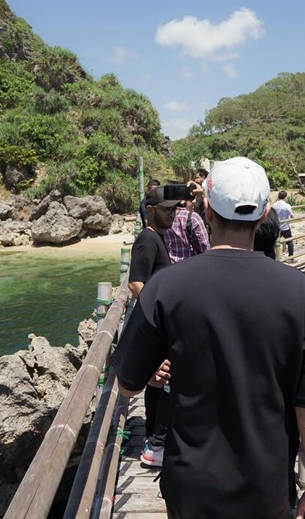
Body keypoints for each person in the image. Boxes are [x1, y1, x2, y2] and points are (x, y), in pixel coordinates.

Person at [115, 156, 305, 519]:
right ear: (263, 214)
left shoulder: (166, 286)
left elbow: (127, 386)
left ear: (205, 209)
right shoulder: (298, 291)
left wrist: (150, 371)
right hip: (266, 490)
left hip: (190, 487)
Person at [128, 184, 182, 468]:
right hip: (157, 324)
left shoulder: (158, 238)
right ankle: (156, 443)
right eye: (167, 209)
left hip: (158, 323)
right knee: (165, 380)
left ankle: (155, 438)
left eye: (175, 209)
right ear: (151, 211)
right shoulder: (148, 240)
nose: (173, 214)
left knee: (160, 382)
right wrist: (158, 314)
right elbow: (136, 282)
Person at [272, 190, 295, 257]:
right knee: (290, 242)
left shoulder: (274, 205)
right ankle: (291, 257)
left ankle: (274, 256)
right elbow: (292, 216)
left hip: (276, 227)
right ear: (285, 197)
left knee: (274, 243)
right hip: (285, 227)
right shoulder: (287, 206)